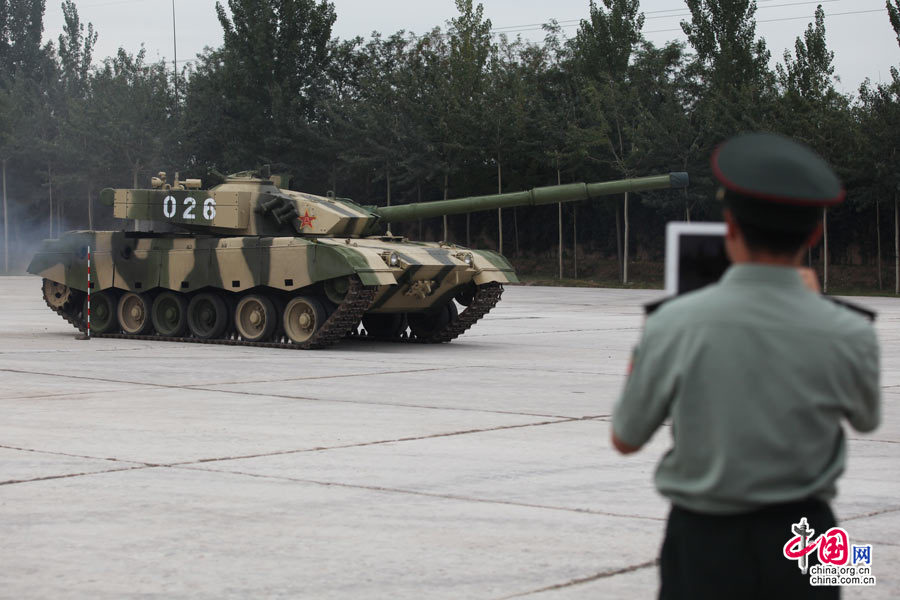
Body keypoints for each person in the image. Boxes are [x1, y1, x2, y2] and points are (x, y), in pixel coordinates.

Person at [611, 132, 881, 599]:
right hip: (809, 538)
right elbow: (867, 419)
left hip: (703, 540)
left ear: (730, 226)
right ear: (814, 235)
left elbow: (626, 437)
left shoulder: (672, 323)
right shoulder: (850, 330)